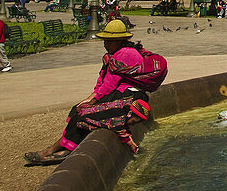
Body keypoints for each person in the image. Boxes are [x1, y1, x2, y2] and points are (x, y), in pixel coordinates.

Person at [23, 20, 152, 165]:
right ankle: (65, 148)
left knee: (82, 113)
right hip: (122, 95)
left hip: (128, 98)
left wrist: (92, 100)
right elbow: (102, 82)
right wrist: (90, 98)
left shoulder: (125, 54)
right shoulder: (116, 54)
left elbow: (109, 84)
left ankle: (51, 151)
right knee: (79, 109)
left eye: (109, 41)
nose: (105, 44)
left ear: (120, 40)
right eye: (105, 41)